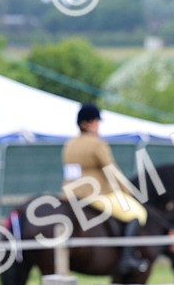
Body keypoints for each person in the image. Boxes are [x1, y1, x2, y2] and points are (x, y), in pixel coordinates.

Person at [62, 104, 150, 276]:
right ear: (88, 123)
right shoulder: (97, 144)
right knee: (137, 213)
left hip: (70, 194)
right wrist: (129, 192)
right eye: (96, 122)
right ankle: (127, 259)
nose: (98, 126)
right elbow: (112, 170)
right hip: (94, 194)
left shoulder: (69, 144)